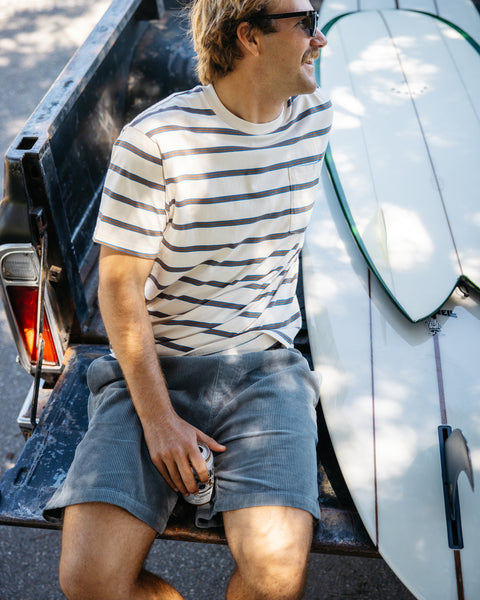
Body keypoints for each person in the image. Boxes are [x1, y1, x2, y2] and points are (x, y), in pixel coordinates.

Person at [44, 0, 332, 598]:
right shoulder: (155, 140)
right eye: (305, 21)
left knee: (276, 579)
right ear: (249, 36)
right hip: (156, 365)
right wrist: (159, 421)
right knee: (90, 581)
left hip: (263, 367)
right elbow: (118, 286)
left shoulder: (316, 118)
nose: (320, 39)